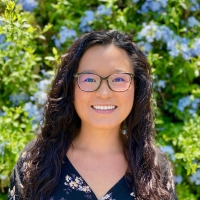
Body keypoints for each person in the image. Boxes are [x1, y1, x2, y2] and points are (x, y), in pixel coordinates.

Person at [8, 30, 177, 200]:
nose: (104, 93)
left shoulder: (154, 168)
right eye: (89, 79)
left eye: (118, 79)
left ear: (137, 87)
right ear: (70, 88)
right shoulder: (35, 162)